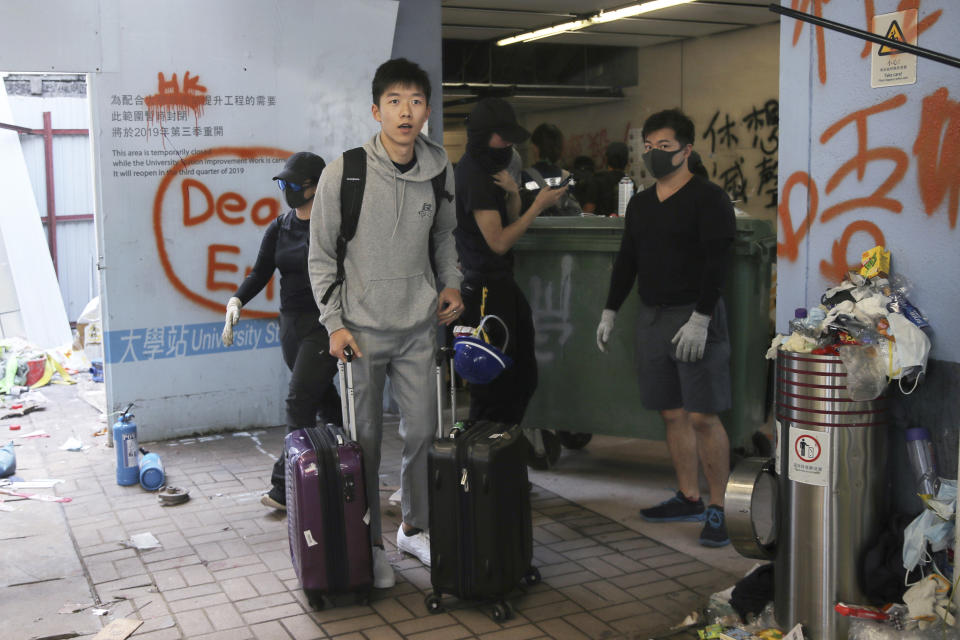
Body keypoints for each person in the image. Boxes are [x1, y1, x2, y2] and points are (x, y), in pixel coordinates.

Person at [308, 58, 463, 589]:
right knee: (365, 441)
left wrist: (451, 282)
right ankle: (367, 538)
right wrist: (334, 323)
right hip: (361, 332)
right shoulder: (344, 172)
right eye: (395, 101)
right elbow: (322, 255)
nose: (406, 111)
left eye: (416, 102)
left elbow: (444, 237)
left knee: (424, 430)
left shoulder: (440, 170)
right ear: (377, 111)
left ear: (427, 113)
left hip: (419, 324)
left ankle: (414, 526)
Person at [595, 109, 736, 548]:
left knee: (702, 415)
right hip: (652, 316)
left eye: (665, 147)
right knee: (672, 412)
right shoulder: (639, 204)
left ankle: (720, 507)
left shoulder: (708, 199)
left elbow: (719, 263)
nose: (655, 155)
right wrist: (610, 309)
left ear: (686, 150)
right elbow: (628, 261)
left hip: (694, 316)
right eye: (650, 147)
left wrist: (702, 316)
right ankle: (689, 495)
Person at [220, 151, 341, 512]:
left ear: (315, 187)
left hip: (325, 323)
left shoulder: (333, 228)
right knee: (322, 399)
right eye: (283, 184)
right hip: (290, 324)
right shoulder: (280, 227)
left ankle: (285, 486)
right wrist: (236, 301)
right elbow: (260, 273)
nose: (286, 190)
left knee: (299, 400)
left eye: (293, 184)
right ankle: (345, 459)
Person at [454, 97, 567, 429]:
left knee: (519, 378)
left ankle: (499, 457)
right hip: (486, 288)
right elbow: (499, 241)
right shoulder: (474, 172)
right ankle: (482, 461)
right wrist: (539, 206)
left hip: (499, 284)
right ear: (482, 135)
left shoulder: (491, 167)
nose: (507, 143)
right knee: (494, 384)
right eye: (501, 135)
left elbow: (508, 220)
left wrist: (515, 194)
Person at [520, 123, 581, 216]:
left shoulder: (524, 176)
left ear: (536, 148)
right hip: (564, 229)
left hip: (535, 228)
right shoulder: (568, 177)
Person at [582, 141, 629, 216]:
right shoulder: (630, 183)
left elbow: (587, 213)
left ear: (606, 159)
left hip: (601, 226)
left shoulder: (597, 180)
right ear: (626, 161)